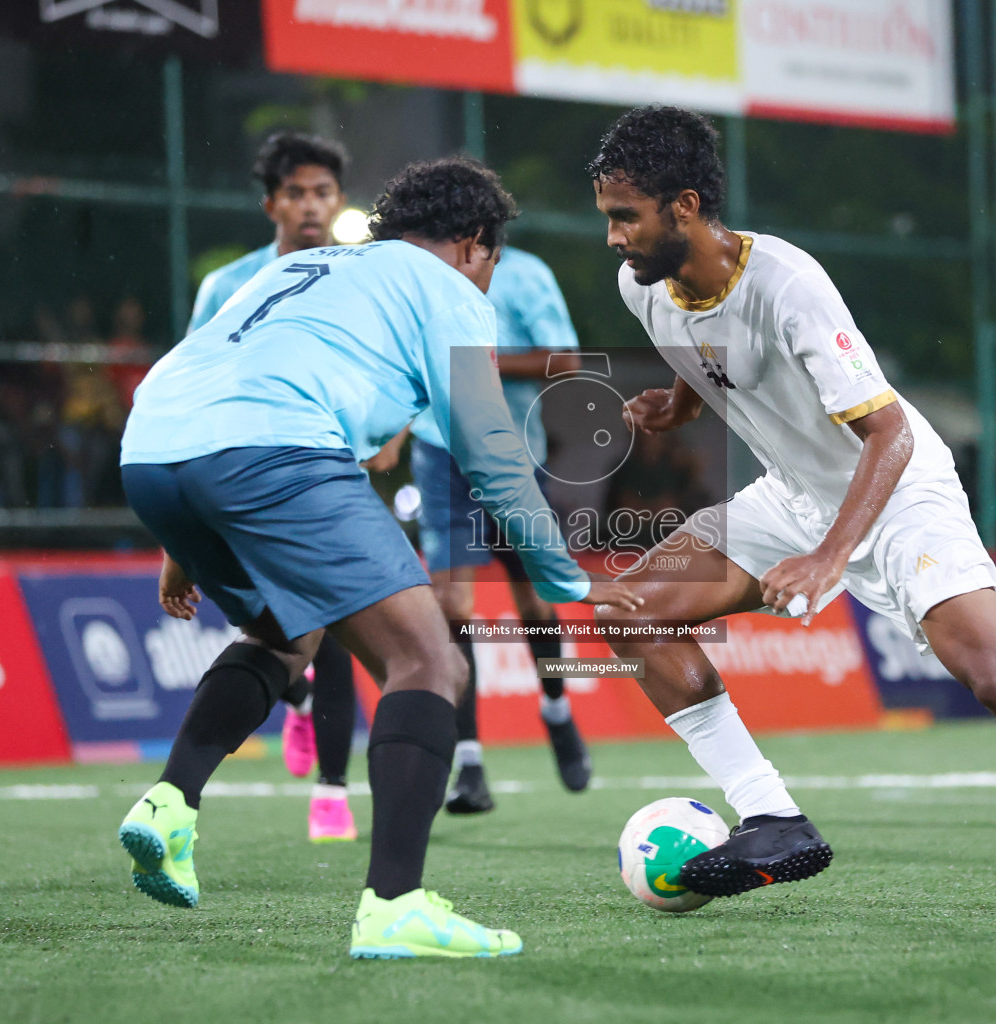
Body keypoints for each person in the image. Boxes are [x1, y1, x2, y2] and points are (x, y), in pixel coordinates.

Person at [588, 105, 996, 919]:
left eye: (627, 217)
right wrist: (678, 406)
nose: (616, 239)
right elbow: (718, 363)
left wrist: (832, 557)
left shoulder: (789, 286)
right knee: (624, 609)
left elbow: (889, 431)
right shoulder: (643, 288)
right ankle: (771, 818)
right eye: (610, 219)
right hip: (793, 498)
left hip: (901, 495)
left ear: (685, 206)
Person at [116, 156, 640, 959]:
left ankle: (170, 804)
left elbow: (218, 375)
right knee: (429, 661)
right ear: (474, 245)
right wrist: (564, 577)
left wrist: (179, 546)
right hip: (269, 451)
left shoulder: (305, 267)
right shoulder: (449, 289)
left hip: (152, 450)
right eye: (491, 265)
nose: (488, 282)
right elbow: (494, 451)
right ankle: (395, 905)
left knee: (286, 636)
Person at [186, 130, 368, 843]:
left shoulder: (357, 280)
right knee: (268, 627)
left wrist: (389, 435)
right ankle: (294, 696)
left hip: (328, 472)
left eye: (323, 191)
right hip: (239, 476)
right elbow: (194, 380)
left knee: (337, 628)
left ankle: (332, 794)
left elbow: (381, 366)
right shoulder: (225, 288)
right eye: (296, 192)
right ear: (271, 204)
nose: (311, 205)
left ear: (340, 201)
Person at [402, 245, 591, 815]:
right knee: (452, 606)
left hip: (512, 454)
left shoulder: (528, 275)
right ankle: (470, 764)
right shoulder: (414, 276)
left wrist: (482, 365)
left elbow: (566, 360)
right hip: (440, 454)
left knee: (534, 599)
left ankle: (557, 711)